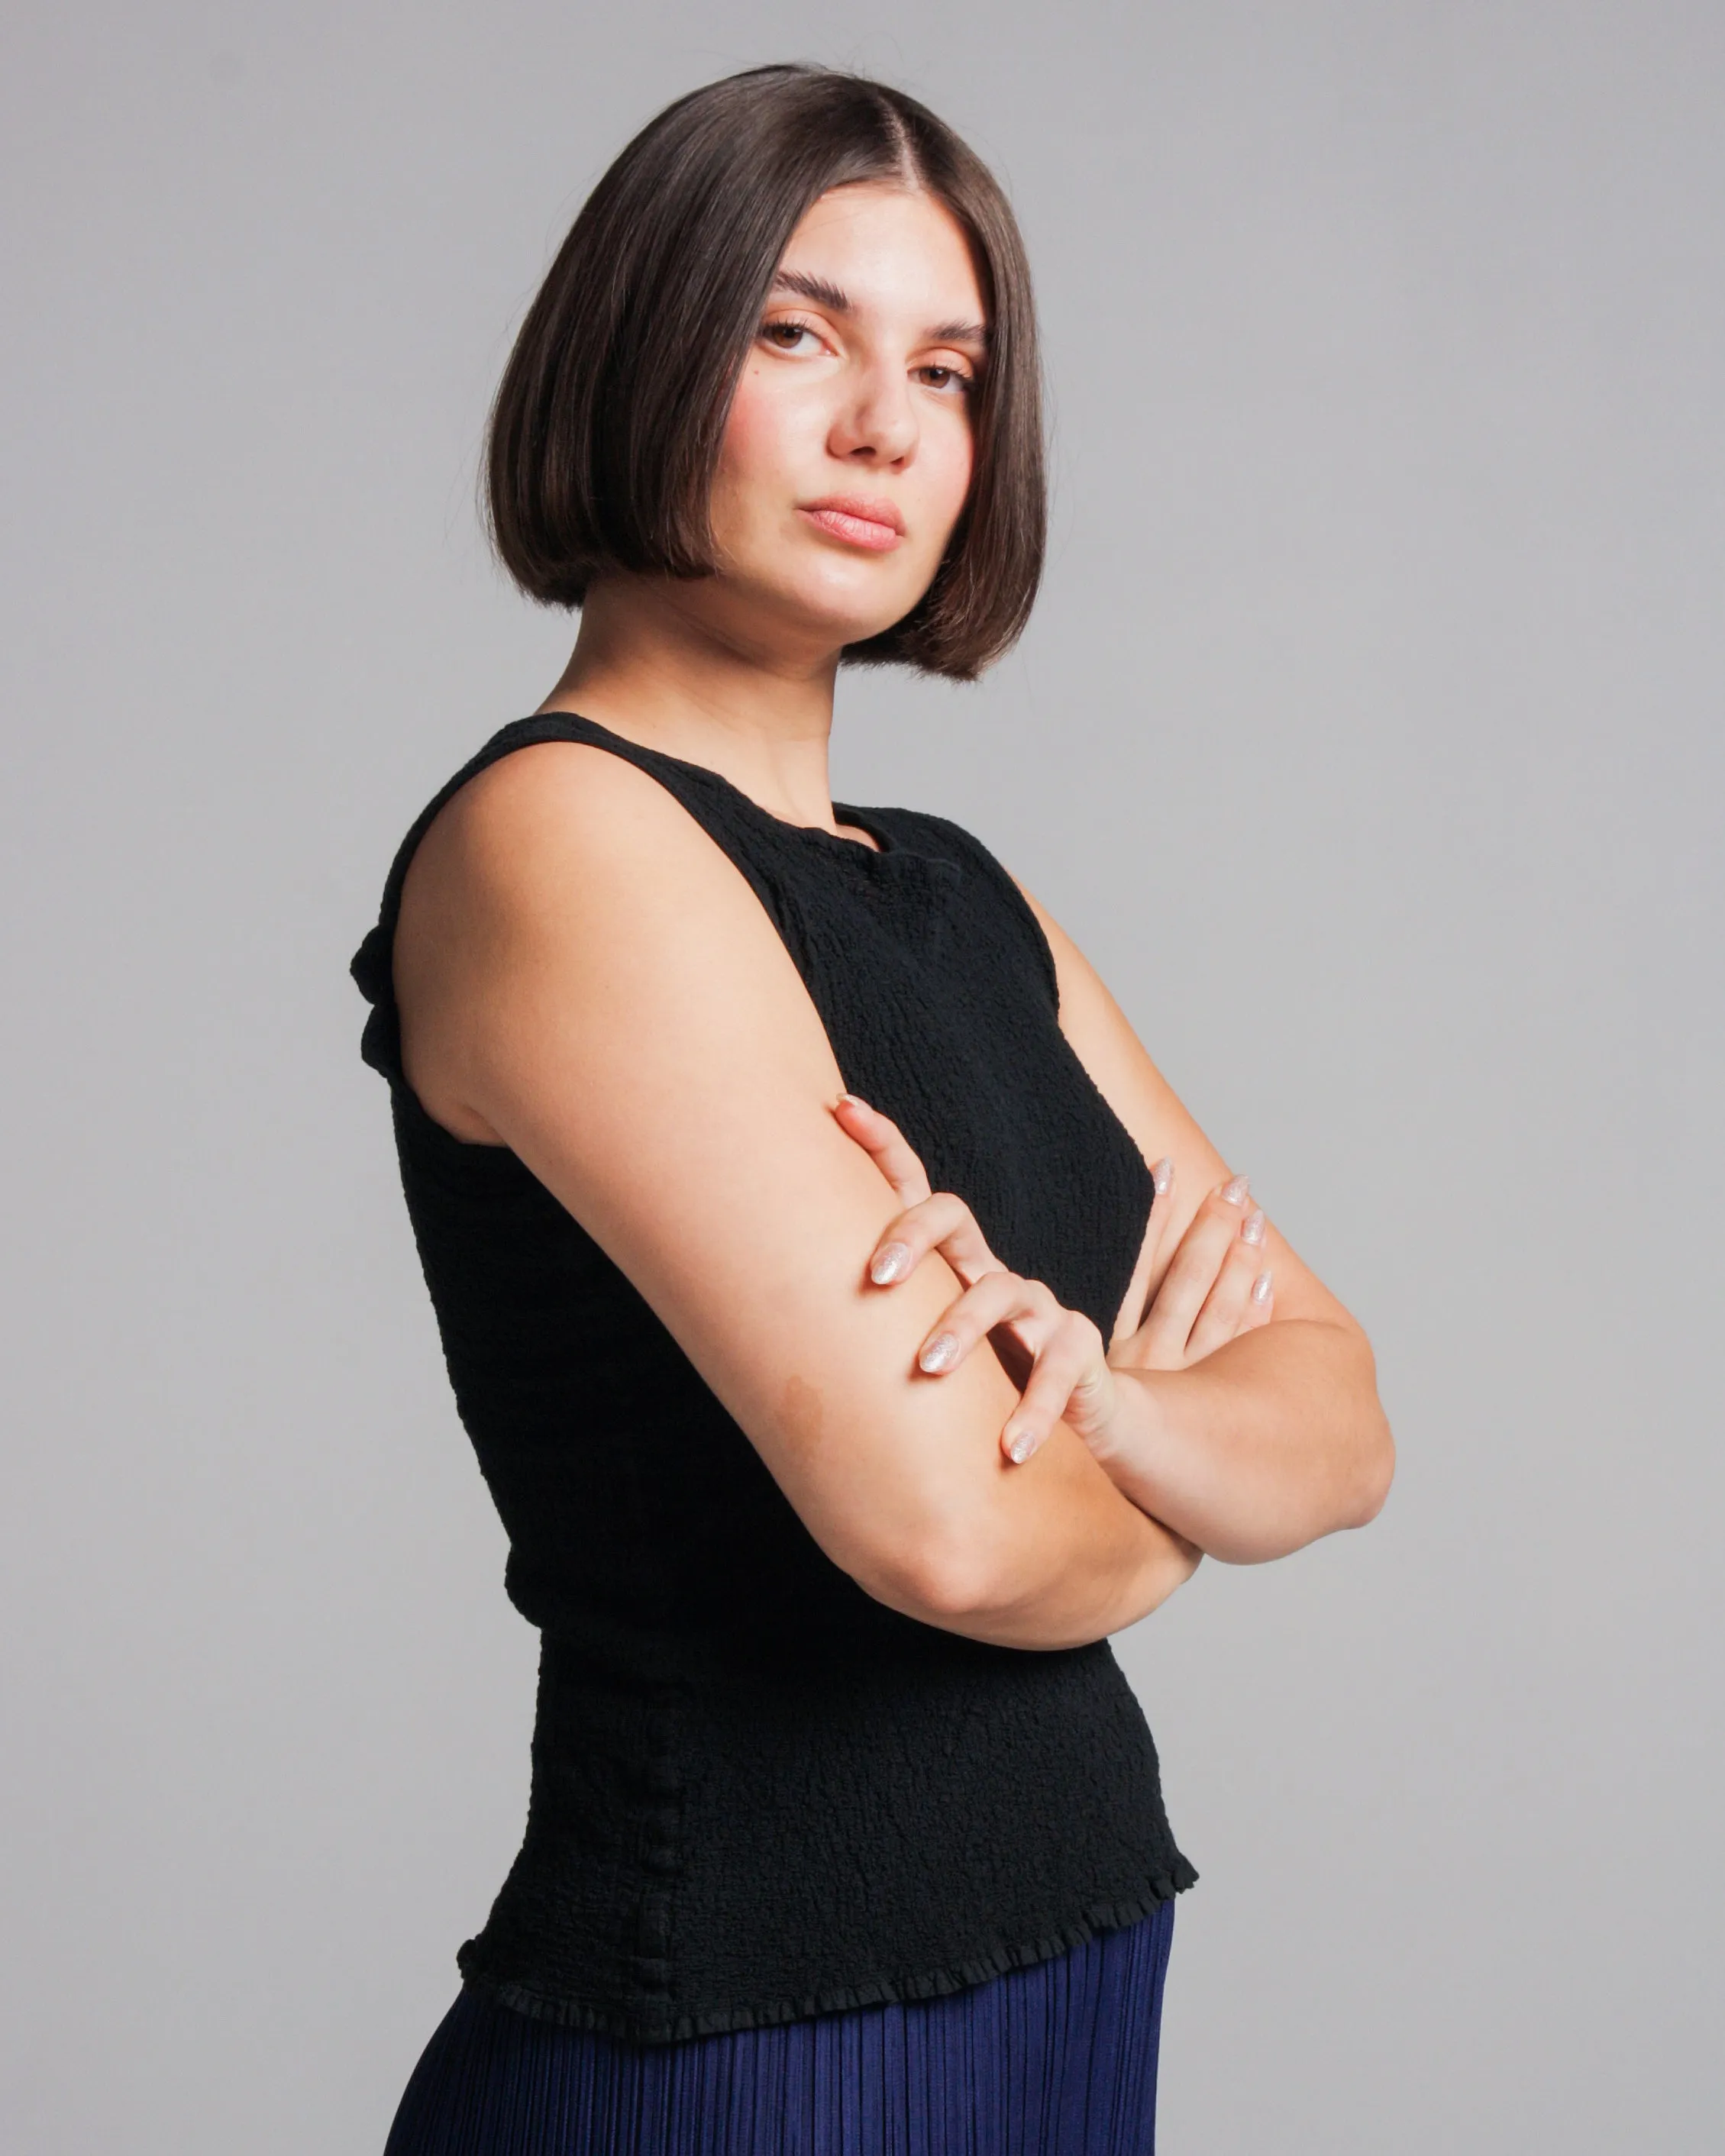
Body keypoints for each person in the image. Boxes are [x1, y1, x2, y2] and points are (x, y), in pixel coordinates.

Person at [352, 61, 1394, 2156]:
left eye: (952, 367)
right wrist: (1163, 1469)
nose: (884, 427)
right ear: (646, 345)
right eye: (793, 332)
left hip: (1066, 1967)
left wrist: (1105, 1425)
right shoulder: (563, 838)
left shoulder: (961, 892)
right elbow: (940, 1526)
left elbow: (1345, 1414)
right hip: (744, 2042)